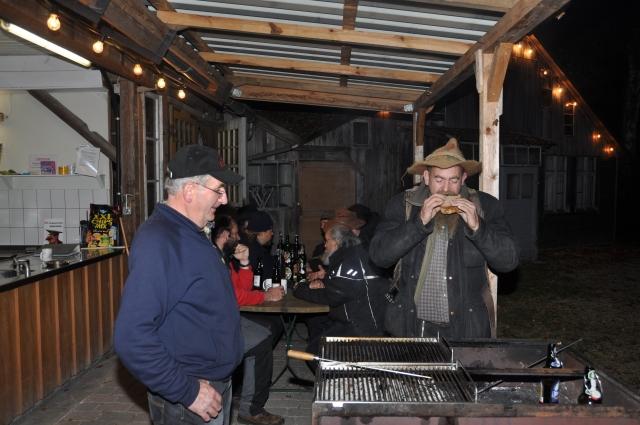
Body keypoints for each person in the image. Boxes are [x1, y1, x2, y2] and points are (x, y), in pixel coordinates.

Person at [114, 144, 244, 425]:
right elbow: (131, 336)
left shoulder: (190, 231)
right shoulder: (159, 241)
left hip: (214, 383)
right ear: (189, 191)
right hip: (191, 397)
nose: (224, 199)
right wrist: (188, 391)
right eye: (219, 190)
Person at [369, 137, 519, 339]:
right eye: (439, 179)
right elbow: (379, 256)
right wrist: (418, 224)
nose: (446, 188)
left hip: (466, 327)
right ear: (426, 177)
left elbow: (508, 262)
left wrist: (478, 228)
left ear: (463, 178)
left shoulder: (486, 206)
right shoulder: (403, 205)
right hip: (411, 324)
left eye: (453, 180)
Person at [212, 215, 285, 425]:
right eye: (235, 234)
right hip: (212, 324)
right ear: (224, 235)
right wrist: (265, 296)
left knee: (265, 332)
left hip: (225, 316)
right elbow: (234, 296)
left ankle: (245, 397)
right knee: (261, 340)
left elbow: (242, 289)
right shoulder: (212, 258)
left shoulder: (223, 257)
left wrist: (244, 263)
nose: (239, 238)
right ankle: (251, 408)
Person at [294, 221, 388, 355]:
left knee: (315, 352)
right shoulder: (352, 254)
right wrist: (326, 280)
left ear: (337, 242)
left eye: (327, 240)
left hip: (363, 327)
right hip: (360, 319)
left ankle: (345, 369)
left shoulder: (349, 261)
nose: (325, 245)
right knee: (317, 328)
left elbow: (331, 296)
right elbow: (344, 286)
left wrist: (300, 288)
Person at [239, 210, 284, 343]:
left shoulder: (249, 246)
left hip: (250, 299)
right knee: (275, 323)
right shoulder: (254, 251)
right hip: (249, 303)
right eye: (270, 230)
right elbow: (269, 276)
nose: (272, 233)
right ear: (262, 232)